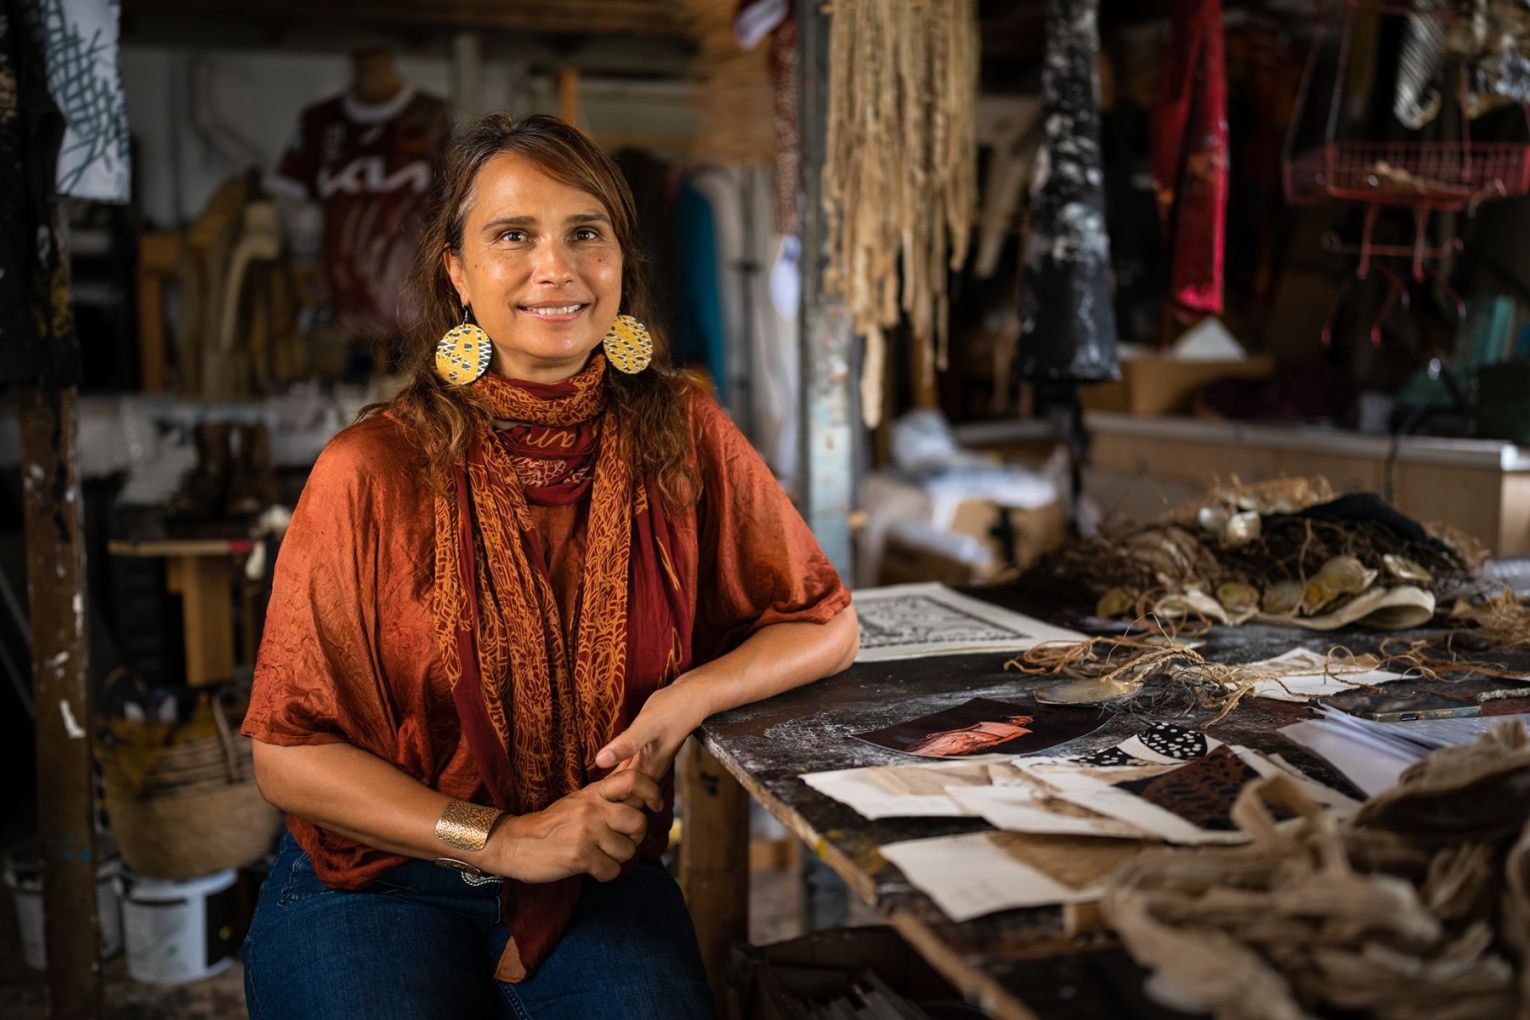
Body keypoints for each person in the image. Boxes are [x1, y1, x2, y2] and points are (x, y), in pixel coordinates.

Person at [240, 113, 859, 1020]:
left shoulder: (680, 435)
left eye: (585, 233)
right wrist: (503, 841)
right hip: (378, 876)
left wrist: (682, 702)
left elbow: (825, 623)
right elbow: (287, 757)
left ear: (620, 260)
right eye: (513, 235)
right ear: (457, 271)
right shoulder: (371, 469)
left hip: (593, 871)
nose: (555, 268)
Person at [904, 715, 1034, 757]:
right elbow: (964, 729)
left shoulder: (1022, 731)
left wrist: (982, 744)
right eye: (1017, 718)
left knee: (942, 752)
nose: (1018, 721)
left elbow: (999, 742)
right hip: (962, 734)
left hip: (974, 740)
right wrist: (942, 733)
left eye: (1023, 721)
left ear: (1025, 723)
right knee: (930, 746)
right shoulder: (987, 722)